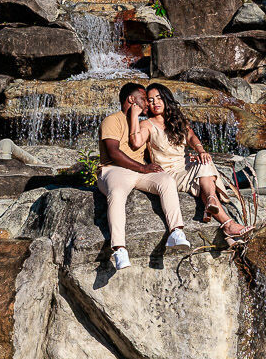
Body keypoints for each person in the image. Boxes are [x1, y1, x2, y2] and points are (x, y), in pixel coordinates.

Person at [94, 82, 188, 270]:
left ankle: (176, 231)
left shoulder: (143, 123)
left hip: (139, 171)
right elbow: (113, 153)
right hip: (114, 170)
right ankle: (119, 248)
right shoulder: (112, 120)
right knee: (118, 192)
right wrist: (143, 168)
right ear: (131, 99)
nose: (148, 104)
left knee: (166, 180)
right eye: (144, 99)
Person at [144, 84, 250, 241]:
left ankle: (214, 206)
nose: (155, 103)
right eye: (151, 100)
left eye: (159, 98)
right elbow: (135, 144)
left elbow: (191, 136)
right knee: (205, 172)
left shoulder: (176, 120)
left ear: (166, 99)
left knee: (205, 161)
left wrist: (200, 150)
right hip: (168, 173)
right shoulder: (146, 124)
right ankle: (223, 217)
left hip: (185, 165)